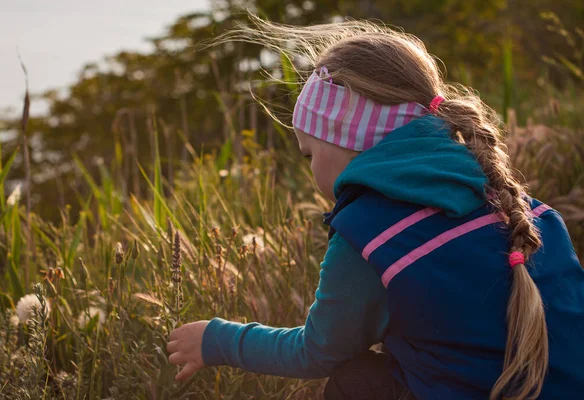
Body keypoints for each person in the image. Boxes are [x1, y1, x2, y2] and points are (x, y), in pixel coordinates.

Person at [166, 14, 584, 400]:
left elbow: (317, 351)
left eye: (309, 154)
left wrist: (216, 340)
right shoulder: (528, 216)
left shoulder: (371, 240)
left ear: (346, 139)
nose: (310, 170)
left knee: (356, 380)